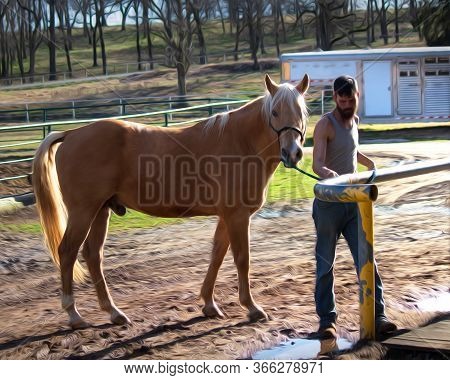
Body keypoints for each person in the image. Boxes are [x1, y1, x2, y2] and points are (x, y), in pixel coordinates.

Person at [311, 75, 397, 339]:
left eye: (351, 99)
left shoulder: (355, 121)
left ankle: (378, 316)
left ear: (357, 96)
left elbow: (351, 150)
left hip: (354, 203)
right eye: (342, 99)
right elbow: (317, 163)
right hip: (329, 204)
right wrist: (330, 174)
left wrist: (368, 162)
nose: (347, 104)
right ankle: (327, 320)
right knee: (326, 263)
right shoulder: (325, 125)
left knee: (367, 259)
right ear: (335, 97)